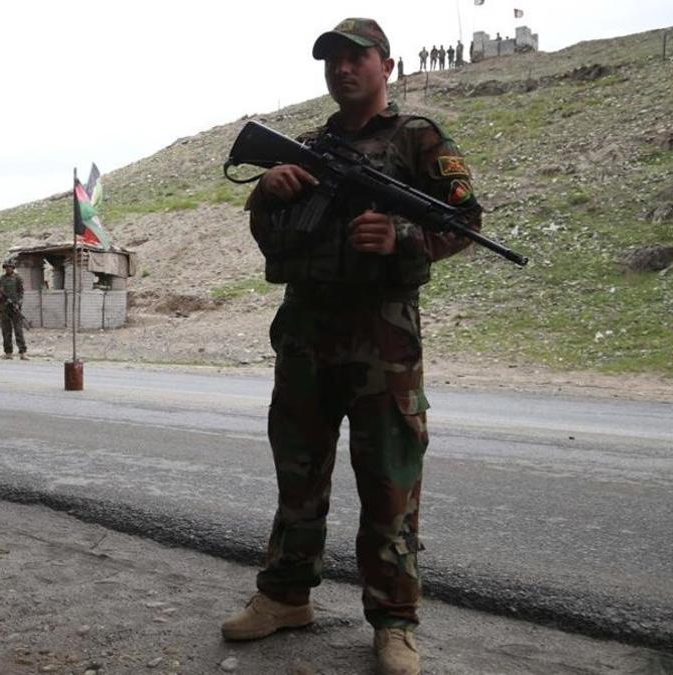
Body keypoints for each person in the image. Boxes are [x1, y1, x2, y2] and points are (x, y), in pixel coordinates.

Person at [221, 17, 482, 675]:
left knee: (390, 487)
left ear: (385, 66)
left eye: (356, 58)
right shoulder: (305, 147)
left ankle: (394, 622)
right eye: (332, 60)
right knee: (298, 477)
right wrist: (266, 198)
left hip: (383, 350)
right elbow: (277, 242)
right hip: (306, 338)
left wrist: (404, 237)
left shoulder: (419, 139)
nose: (343, 69)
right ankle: (284, 596)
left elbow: (464, 223)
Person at [0, 259, 27, 360]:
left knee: (18, 331)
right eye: (6, 267)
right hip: (4, 308)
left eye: (10, 267)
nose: (8, 269)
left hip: (15, 307)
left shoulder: (17, 279)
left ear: (13, 268)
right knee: (6, 331)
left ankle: (22, 352)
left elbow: (21, 292)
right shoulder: (1, 279)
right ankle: (8, 353)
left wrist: (18, 303)